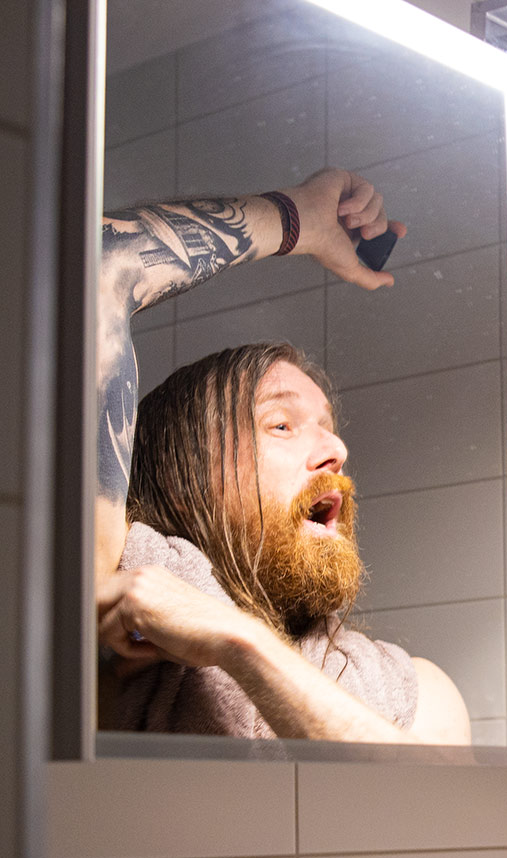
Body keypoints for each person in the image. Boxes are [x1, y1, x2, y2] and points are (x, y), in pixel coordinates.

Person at [89, 168, 471, 744]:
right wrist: (297, 219)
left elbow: (433, 813)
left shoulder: (416, 693)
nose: (336, 451)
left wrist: (236, 642)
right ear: (186, 476)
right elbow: (91, 268)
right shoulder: (100, 628)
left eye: (329, 429)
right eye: (282, 424)